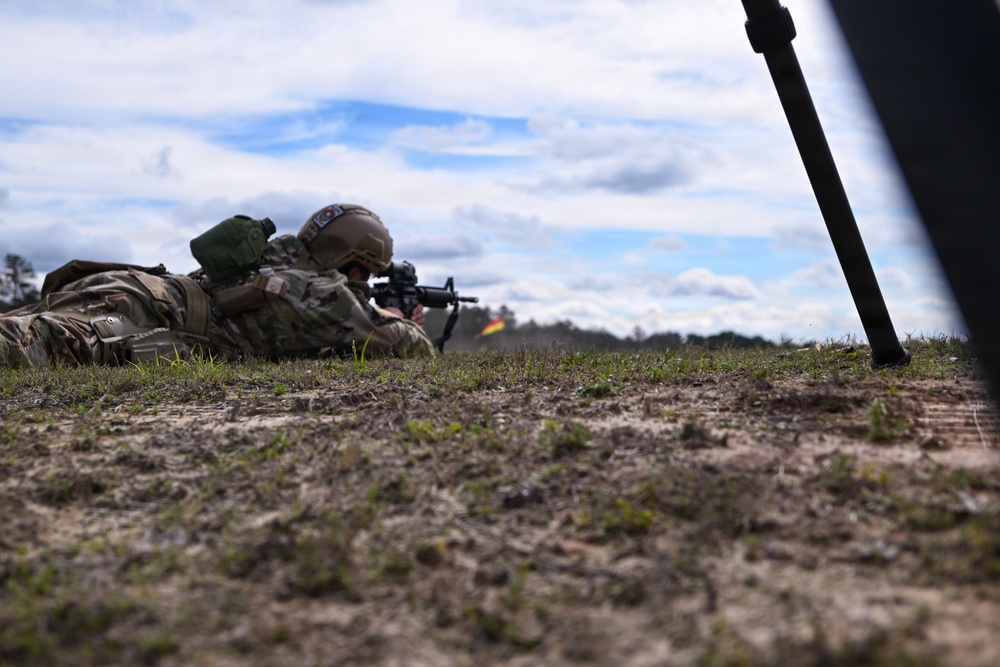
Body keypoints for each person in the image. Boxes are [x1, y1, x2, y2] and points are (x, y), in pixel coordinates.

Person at [0, 203, 435, 368]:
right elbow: (410, 348)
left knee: (18, 326)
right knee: (28, 344)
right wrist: (400, 318)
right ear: (352, 264)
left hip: (135, 286)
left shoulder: (271, 259)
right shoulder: (320, 293)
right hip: (139, 313)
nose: (361, 285)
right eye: (364, 275)